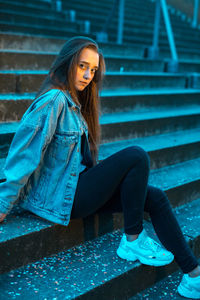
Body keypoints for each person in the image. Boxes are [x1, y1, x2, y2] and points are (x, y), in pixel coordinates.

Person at [0, 36, 199, 298]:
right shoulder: (54, 100)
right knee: (136, 155)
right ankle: (132, 239)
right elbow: (25, 154)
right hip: (63, 198)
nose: (87, 75)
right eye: (82, 66)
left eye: (93, 70)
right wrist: (4, 204)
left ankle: (193, 275)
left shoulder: (74, 101)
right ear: (68, 62)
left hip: (76, 187)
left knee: (154, 197)